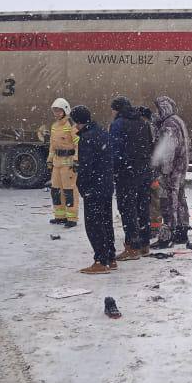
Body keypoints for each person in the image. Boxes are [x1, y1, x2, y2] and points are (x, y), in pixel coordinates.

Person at [69, 105, 117, 274]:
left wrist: (83, 186)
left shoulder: (87, 138)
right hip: (106, 186)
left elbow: (86, 167)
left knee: (94, 225)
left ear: (78, 122)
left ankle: (100, 261)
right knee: (106, 222)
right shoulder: (103, 132)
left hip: (94, 188)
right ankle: (111, 258)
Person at [108, 96, 154, 261]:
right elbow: (150, 147)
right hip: (143, 172)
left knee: (127, 209)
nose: (112, 112)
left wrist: (115, 169)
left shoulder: (118, 124)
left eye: (113, 109)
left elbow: (114, 150)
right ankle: (144, 244)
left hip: (126, 174)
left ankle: (131, 247)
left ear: (118, 109)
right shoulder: (143, 123)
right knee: (143, 207)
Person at [151, 96, 191, 248]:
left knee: (168, 201)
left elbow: (167, 150)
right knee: (180, 199)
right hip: (180, 168)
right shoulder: (177, 121)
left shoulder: (169, 125)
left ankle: (168, 234)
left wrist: (164, 170)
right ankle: (182, 231)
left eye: (158, 109)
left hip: (172, 170)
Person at [47, 98, 78, 228]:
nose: (57, 113)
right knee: (55, 190)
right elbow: (52, 146)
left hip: (68, 164)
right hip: (57, 164)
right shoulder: (54, 126)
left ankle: (72, 218)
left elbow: (78, 144)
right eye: (55, 111)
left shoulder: (71, 125)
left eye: (59, 111)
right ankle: (60, 216)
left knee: (69, 191)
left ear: (65, 110)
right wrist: (49, 160)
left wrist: (76, 160)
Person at [139, 106, 164, 241]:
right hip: (152, 170)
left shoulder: (149, 128)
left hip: (151, 170)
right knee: (153, 200)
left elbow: (153, 154)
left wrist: (153, 175)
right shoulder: (153, 127)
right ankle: (153, 226)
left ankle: (154, 227)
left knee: (153, 200)